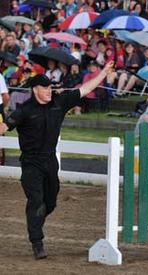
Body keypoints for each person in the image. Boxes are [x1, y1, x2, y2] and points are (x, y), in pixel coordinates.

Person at [0, 61, 114, 260]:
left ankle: (35, 221)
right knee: (36, 200)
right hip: (31, 163)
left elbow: (86, 88)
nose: (50, 90)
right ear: (36, 89)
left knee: (49, 203)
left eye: (51, 86)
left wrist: (104, 72)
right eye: (46, 87)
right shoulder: (24, 110)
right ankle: (37, 243)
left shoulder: (60, 102)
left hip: (50, 162)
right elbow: (3, 128)